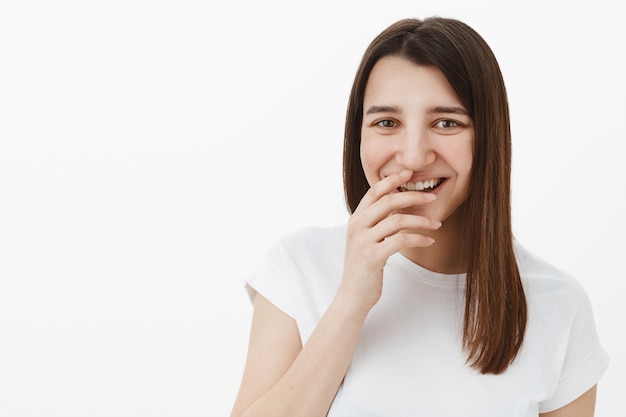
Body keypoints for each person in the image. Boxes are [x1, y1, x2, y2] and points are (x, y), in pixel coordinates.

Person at [229, 16, 608, 417]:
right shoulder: (298, 268)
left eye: (446, 123)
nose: (413, 156)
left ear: (488, 135)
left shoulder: (557, 305)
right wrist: (351, 301)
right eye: (387, 122)